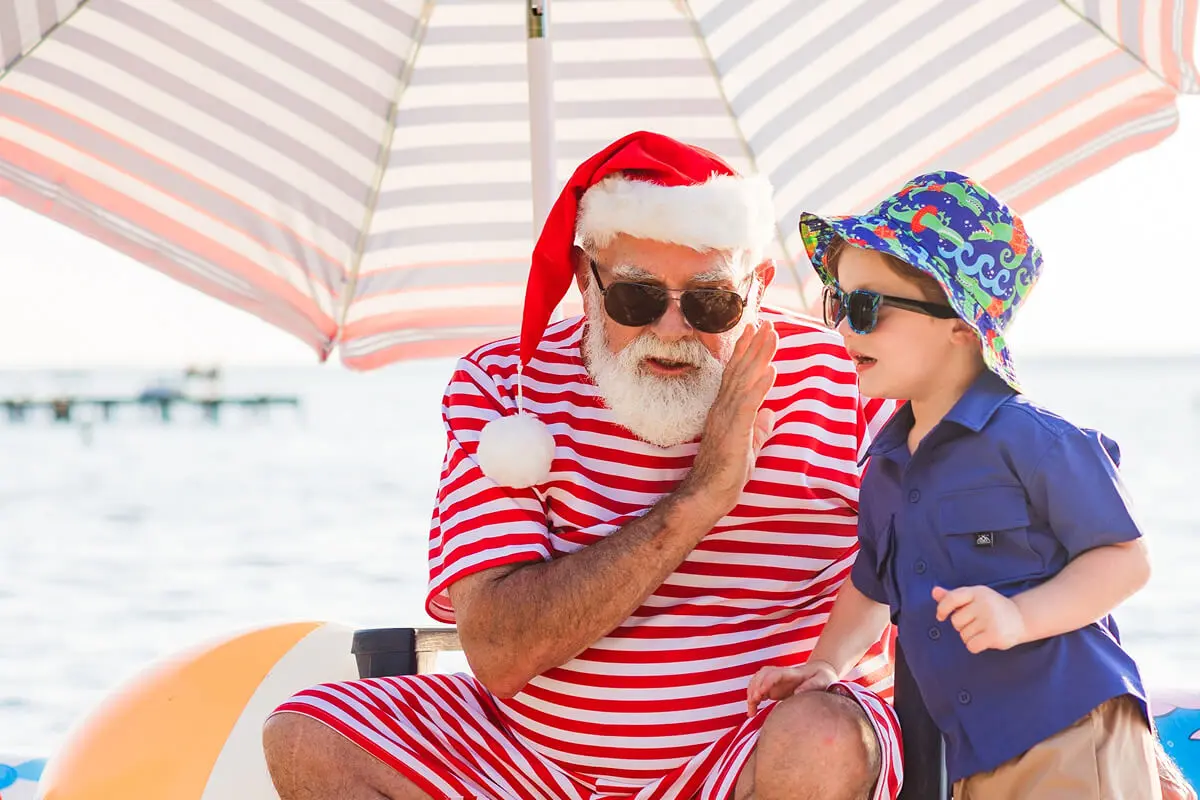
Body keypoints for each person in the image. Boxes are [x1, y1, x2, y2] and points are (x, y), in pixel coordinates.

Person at [261, 131, 905, 800]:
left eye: (711, 301)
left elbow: (943, 546)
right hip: (532, 766)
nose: (672, 329)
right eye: (637, 298)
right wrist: (702, 495)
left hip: (749, 753)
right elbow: (499, 653)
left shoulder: (846, 376)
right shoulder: (506, 386)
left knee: (826, 740)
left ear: (758, 285)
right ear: (584, 281)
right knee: (310, 734)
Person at [746, 171, 1177, 799]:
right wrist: (826, 664)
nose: (842, 330)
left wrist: (1019, 615)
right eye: (836, 304)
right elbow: (871, 585)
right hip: (974, 751)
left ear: (961, 324)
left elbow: (1125, 559)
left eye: (866, 308)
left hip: (1071, 727)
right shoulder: (888, 464)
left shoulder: (1036, 440)